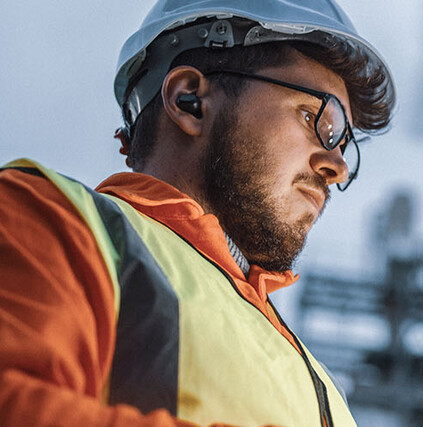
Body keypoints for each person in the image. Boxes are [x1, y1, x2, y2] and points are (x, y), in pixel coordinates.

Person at [0, 0, 395, 426]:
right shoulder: (52, 219)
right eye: (318, 118)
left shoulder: (317, 380)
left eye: (345, 145)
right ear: (190, 99)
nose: (336, 167)